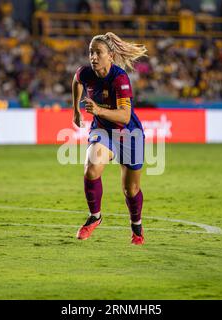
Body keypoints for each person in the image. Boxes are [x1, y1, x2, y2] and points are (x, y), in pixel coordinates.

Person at [72, 32, 147, 245]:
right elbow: (77, 80)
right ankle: (95, 217)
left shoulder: (120, 79)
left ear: (110, 56)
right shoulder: (86, 73)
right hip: (103, 131)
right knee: (91, 168)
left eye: (98, 53)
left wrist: (97, 110)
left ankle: (136, 227)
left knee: (130, 190)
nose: (93, 57)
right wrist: (75, 110)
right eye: (90, 53)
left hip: (128, 133)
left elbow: (124, 116)